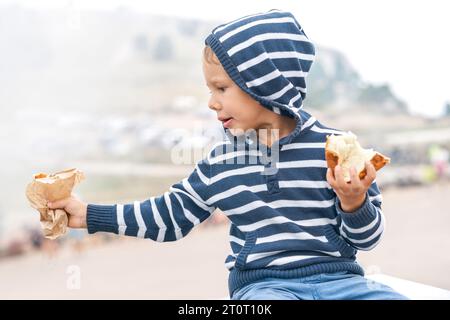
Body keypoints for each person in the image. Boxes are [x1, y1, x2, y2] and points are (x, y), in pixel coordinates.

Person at [47, 9, 407, 300]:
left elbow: (367, 239)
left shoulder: (336, 150)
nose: (211, 102)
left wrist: (354, 201)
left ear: (264, 86)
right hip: (265, 289)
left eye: (221, 87)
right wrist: (89, 215)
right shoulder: (222, 162)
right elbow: (171, 217)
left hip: (343, 284)